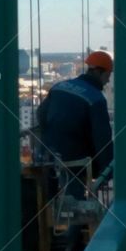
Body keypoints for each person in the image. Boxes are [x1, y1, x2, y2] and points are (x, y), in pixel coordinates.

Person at [35, 50, 114, 196]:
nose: (108, 80)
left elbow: (41, 113)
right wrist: (107, 169)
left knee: (48, 197)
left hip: (48, 152)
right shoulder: (96, 98)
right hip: (74, 159)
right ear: (99, 72)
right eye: (108, 75)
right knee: (73, 202)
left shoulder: (60, 86)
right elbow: (102, 137)